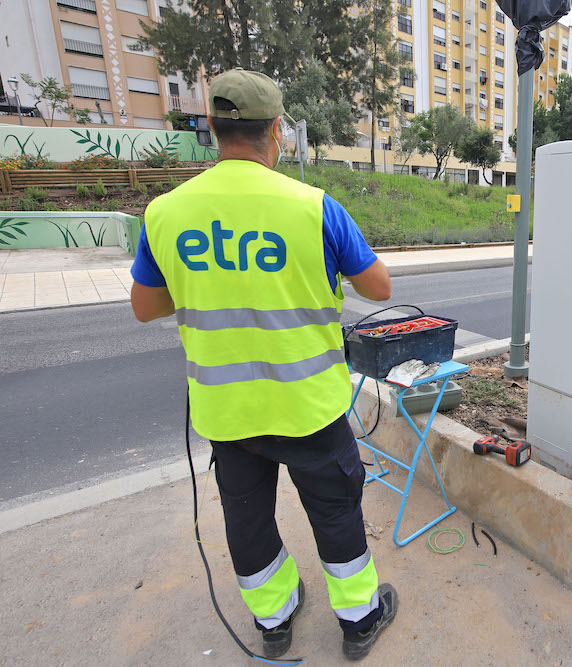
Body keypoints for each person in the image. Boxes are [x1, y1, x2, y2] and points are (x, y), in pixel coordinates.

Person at [129, 68, 397, 661]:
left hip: (229, 414)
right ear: (277, 131)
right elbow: (377, 287)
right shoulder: (314, 207)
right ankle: (358, 622)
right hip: (310, 408)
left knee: (247, 522)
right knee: (335, 514)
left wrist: (210, 282)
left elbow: (146, 307)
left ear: (211, 130)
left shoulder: (166, 212)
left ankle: (274, 622)